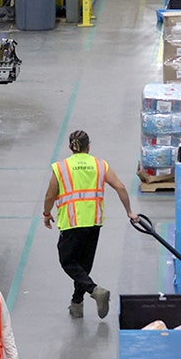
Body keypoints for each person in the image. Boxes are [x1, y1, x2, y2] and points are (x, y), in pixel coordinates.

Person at [43, 130, 137, 319]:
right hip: (94, 222)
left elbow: (50, 195)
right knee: (83, 266)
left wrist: (47, 213)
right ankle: (77, 303)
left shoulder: (61, 168)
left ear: (70, 147)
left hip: (71, 223)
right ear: (89, 146)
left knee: (68, 261)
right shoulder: (99, 165)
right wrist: (129, 211)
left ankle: (95, 291)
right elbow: (120, 186)